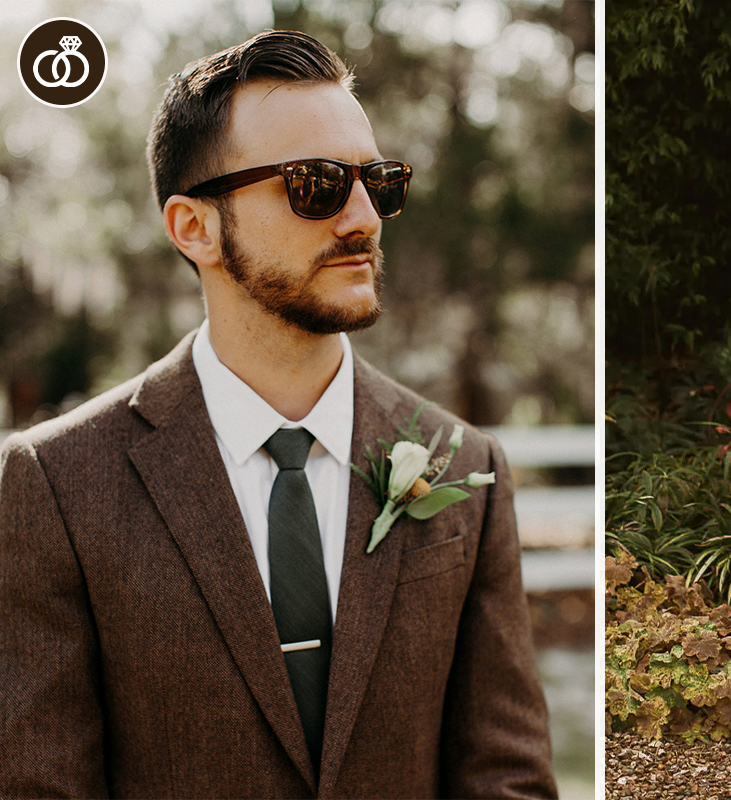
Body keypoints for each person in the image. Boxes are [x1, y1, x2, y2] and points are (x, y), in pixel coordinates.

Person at [0, 30, 557, 799]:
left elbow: (507, 780)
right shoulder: (56, 485)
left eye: (378, 181)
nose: (363, 217)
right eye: (316, 184)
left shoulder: (465, 465)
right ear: (194, 227)